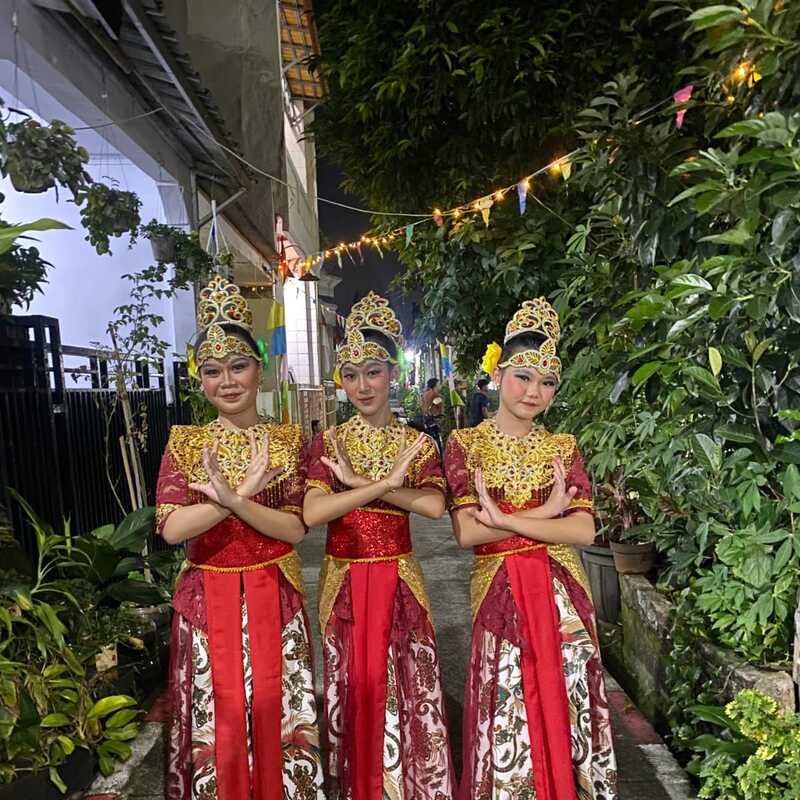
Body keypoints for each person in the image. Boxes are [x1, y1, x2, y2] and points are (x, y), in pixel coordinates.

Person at [156, 274, 323, 800]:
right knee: (220, 715)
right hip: (207, 599)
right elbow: (171, 528)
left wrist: (238, 501)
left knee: (277, 711)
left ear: (260, 369)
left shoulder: (286, 440)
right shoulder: (185, 442)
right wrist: (228, 499)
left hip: (274, 592)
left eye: (238, 366)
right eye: (212, 371)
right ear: (199, 380)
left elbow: (294, 528)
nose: (226, 381)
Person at [444, 298, 618, 799]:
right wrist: (545, 514)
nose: (534, 391)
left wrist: (504, 521)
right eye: (523, 376)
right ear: (498, 373)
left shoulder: (563, 446)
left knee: (570, 700)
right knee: (507, 710)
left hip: (562, 594)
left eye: (547, 382)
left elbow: (583, 531)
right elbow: (468, 533)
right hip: (499, 593)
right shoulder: (465, 445)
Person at [304, 291, 456, 800]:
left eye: (373, 372)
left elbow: (433, 506)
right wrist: (384, 484)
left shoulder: (417, 442)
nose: (362, 386)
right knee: (353, 685)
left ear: (393, 374)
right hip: (344, 580)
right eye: (351, 375)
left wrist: (371, 485)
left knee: (406, 683)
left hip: (398, 577)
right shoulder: (328, 443)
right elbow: (313, 513)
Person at [421, 377, 444, 453]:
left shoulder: (424, 394)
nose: (440, 386)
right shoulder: (435, 395)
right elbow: (440, 407)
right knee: (437, 439)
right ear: (435, 385)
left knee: (430, 438)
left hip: (426, 418)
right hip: (435, 419)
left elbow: (422, 406)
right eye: (439, 384)